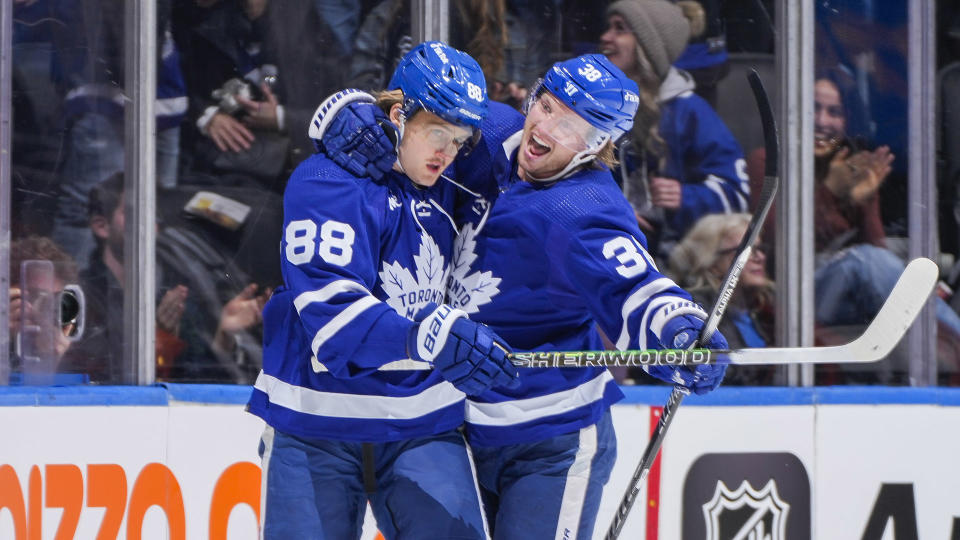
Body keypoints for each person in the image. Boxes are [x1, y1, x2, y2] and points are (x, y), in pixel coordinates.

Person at [316, 52, 730, 540]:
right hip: (455, 423)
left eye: (575, 126)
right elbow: (406, 108)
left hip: (548, 440)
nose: (547, 129)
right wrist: (349, 113)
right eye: (548, 106)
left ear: (600, 146)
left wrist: (681, 330)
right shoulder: (486, 133)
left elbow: (638, 286)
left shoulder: (587, 211)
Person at [246, 42, 519, 539]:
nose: (448, 153)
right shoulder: (325, 180)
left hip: (423, 426)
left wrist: (344, 105)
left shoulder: (447, 177)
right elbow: (335, 325)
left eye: (458, 140)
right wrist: (429, 337)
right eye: (438, 133)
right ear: (398, 115)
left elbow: (524, 129)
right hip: (316, 425)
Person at [59, 173, 269, 383]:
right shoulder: (81, 297)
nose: (147, 223)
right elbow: (89, 380)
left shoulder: (177, 288)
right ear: (101, 226)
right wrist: (158, 340)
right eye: (133, 213)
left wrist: (223, 334)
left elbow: (199, 383)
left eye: (152, 214)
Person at [599, 0, 750, 258]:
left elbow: (738, 193)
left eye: (619, 29)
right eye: (609, 27)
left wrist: (686, 196)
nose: (605, 37)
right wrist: (610, 210)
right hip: (601, 250)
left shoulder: (689, 112)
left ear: (649, 47)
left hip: (670, 266)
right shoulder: (594, 103)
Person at [668, 213, 775, 385]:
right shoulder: (698, 311)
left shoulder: (768, 306)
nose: (759, 257)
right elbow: (718, 373)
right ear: (712, 262)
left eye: (760, 249)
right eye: (747, 250)